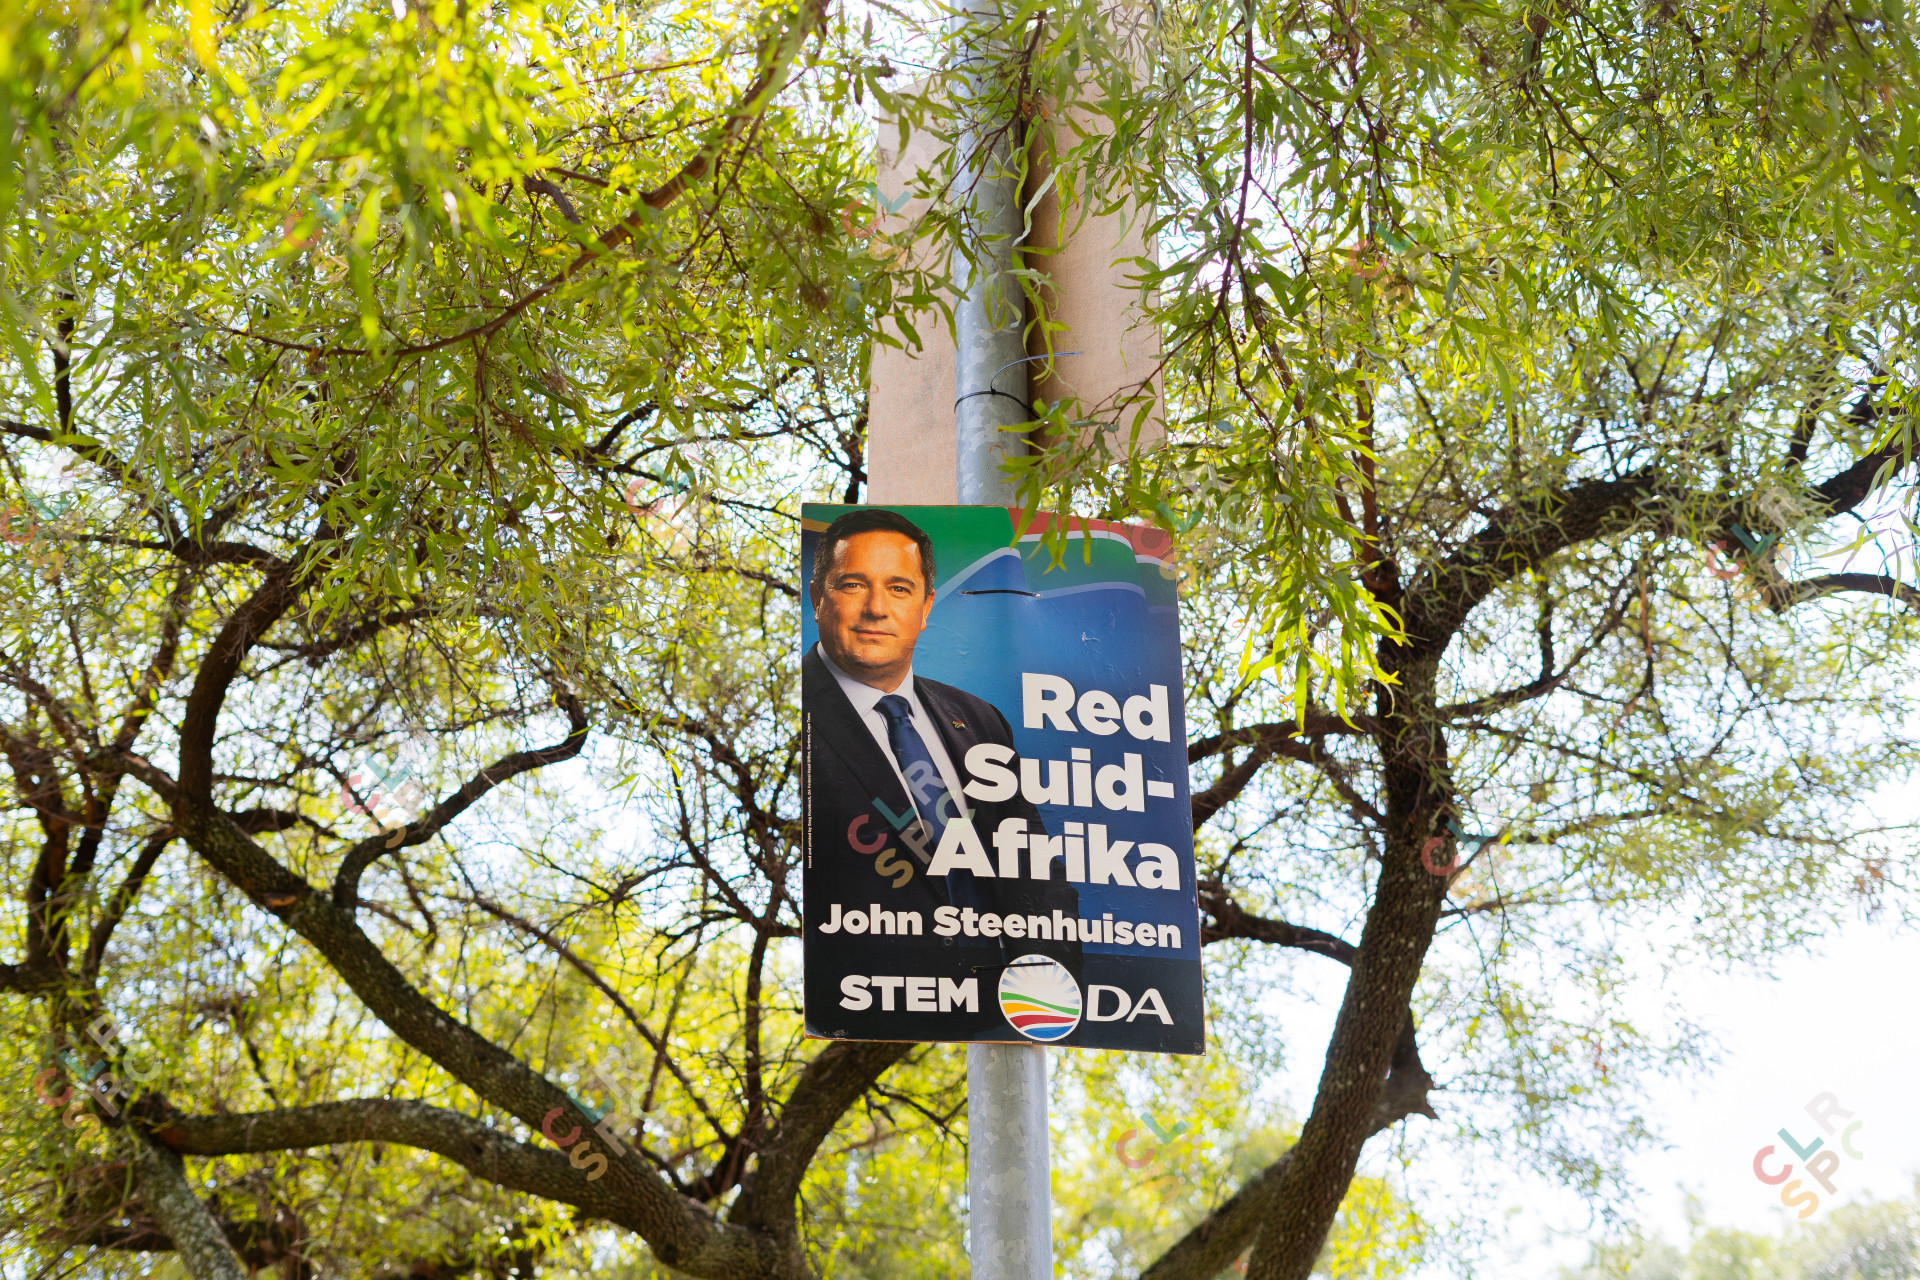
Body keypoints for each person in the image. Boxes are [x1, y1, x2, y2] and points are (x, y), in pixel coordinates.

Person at [802, 509, 1079, 1039]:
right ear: (819, 596)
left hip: (1003, 1011)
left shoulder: (977, 718)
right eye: (854, 584)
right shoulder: (794, 708)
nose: (876, 608)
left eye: (899, 588)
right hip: (866, 1005)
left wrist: (1043, 1000)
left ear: (926, 607)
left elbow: (1032, 868)